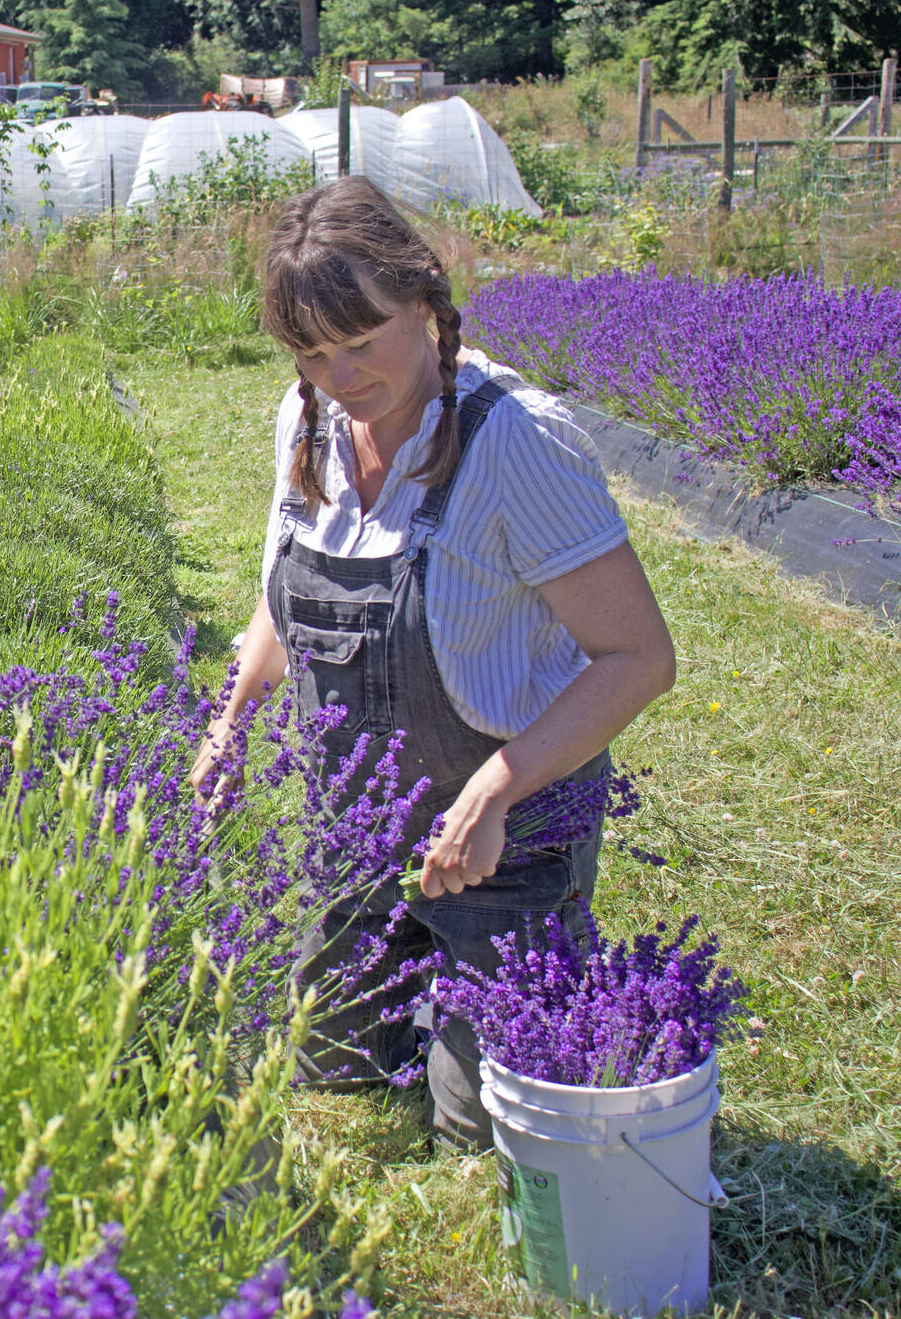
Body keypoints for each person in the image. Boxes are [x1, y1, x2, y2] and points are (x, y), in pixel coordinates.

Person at [189, 177, 676, 1149]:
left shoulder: (512, 443)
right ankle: (423, 984)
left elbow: (637, 658)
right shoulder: (309, 421)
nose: (339, 375)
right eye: (310, 352)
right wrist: (229, 726)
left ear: (423, 303)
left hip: (506, 834)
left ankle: (515, 973)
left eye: (360, 341)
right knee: (333, 1066)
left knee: (474, 1126)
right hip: (358, 823)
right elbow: (286, 596)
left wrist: (496, 791)